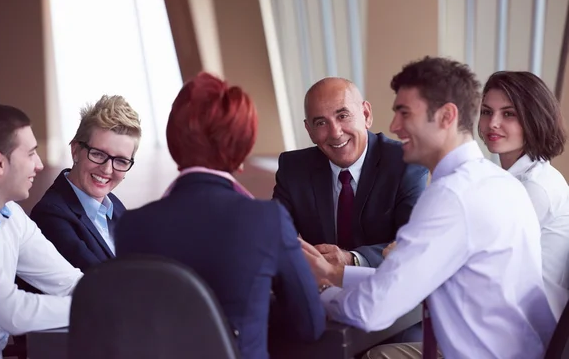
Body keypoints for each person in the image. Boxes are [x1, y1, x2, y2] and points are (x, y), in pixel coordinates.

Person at [299, 57, 557, 358]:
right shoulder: (499, 182)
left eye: (405, 113)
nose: (394, 126)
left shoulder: (451, 197)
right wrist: (334, 273)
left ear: (447, 116)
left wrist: (321, 292)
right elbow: (410, 278)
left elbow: (370, 311)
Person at [115, 72, 326, 359]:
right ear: (242, 147)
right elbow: (310, 326)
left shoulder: (131, 226)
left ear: (174, 140)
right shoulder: (266, 219)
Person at [273, 77, 428, 268]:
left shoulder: (407, 163)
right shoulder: (294, 169)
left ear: (366, 114)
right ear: (310, 130)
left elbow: (413, 244)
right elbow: (275, 237)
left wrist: (352, 259)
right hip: (320, 289)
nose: (335, 132)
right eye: (321, 123)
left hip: (385, 287)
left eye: (342, 116)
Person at [0, 103, 82, 359]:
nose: (39, 165)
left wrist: (119, 296)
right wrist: (92, 305)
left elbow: (68, 281)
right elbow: (14, 313)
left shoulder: (12, 215)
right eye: (31, 153)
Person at [478, 71, 569, 320]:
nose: (492, 123)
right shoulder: (509, 180)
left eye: (509, 114)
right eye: (487, 111)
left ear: (533, 119)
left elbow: (482, 263)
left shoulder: (534, 186)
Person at [30, 95, 141, 271]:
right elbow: (100, 282)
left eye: (120, 161)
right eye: (98, 154)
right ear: (75, 151)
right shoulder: (51, 216)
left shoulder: (114, 206)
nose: (107, 170)